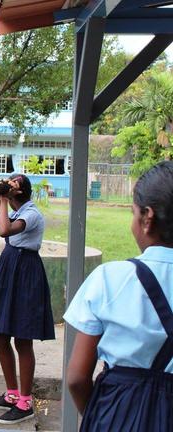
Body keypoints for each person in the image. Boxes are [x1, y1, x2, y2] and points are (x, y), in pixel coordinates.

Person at [64, 161, 173, 432]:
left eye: (133, 213)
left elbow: (77, 377)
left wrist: (99, 415)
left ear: (147, 218)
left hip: (117, 410)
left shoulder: (110, 278)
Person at [0, 174, 54, 425]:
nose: (7, 184)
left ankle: (25, 401)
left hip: (26, 272)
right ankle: (11, 393)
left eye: (12, 183)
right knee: (0, 335)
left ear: (21, 191)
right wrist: (0, 199)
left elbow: (4, 231)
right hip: (9, 268)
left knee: (23, 338)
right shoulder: (13, 211)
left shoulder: (31, 214)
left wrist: (4, 199)